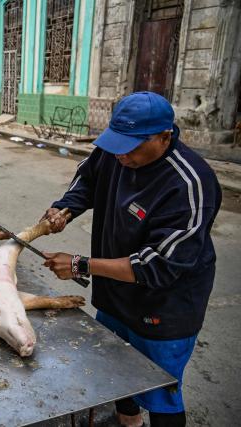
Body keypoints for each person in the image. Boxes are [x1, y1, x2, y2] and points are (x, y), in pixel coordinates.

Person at [41, 92, 221, 427]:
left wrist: (81, 265)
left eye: (133, 147)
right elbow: (88, 179)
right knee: (115, 364)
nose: (122, 155)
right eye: (117, 144)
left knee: (160, 390)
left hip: (163, 306)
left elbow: (158, 266)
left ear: (165, 136)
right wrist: (65, 208)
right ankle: (128, 422)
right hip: (115, 290)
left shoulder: (189, 183)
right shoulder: (117, 152)